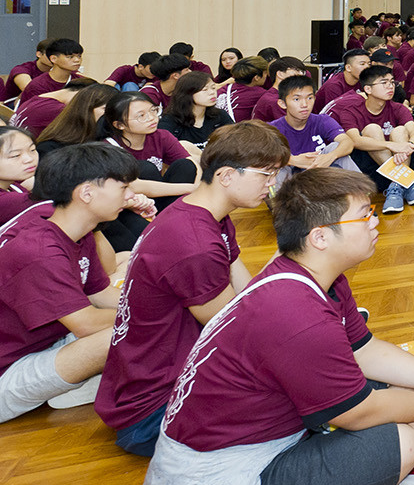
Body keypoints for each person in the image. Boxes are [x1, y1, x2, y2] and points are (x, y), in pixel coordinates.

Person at [117, 168, 414, 485]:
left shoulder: (313, 276)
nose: (375, 222)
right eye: (365, 215)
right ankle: (402, 471)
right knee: (400, 440)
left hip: (258, 437)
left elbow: (365, 350)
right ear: (320, 237)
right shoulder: (294, 313)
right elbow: (356, 413)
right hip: (222, 480)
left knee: (405, 385)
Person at [94, 122, 290, 456]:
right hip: (157, 409)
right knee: (311, 402)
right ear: (227, 175)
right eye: (266, 174)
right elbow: (233, 329)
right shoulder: (195, 243)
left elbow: (246, 295)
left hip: (157, 383)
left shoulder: (206, 213)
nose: (272, 184)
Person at [0, 143, 138, 424]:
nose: (130, 195)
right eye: (123, 188)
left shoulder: (78, 232)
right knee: (123, 331)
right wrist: (153, 312)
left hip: (46, 344)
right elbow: (85, 324)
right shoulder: (38, 249)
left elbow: (101, 294)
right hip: (8, 369)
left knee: (141, 314)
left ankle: (77, 385)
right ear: (86, 193)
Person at [330, 65, 414, 214]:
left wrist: (408, 145)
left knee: (400, 130)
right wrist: (391, 145)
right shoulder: (351, 111)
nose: (390, 86)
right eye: (384, 83)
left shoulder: (398, 108)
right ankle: (406, 183)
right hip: (371, 169)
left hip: (404, 160)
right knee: (372, 129)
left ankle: (396, 185)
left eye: (392, 82)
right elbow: (355, 140)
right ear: (368, 89)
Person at [99, 92, 200, 207]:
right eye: (141, 116)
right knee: (145, 168)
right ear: (119, 125)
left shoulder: (161, 136)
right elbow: (134, 186)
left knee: (186, 165)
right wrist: (191, 188)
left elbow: (193, 164)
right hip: (132, 204)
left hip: (162, 198)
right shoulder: (109, 148)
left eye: (153, 110)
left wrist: (198, 188)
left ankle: (172, 213)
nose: (152, 118)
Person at [269, 76, 359, 186]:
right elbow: (258, 157)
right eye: (296, 99)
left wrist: (329, 157)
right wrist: (291, 160)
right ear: (282, 103)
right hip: (291, 182)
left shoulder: (322, 120)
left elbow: (348, 142)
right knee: (278, 160)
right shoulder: (273, 129)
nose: (304, 105)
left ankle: (362, 192)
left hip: (320, 175)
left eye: (309, 98)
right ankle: (280, 198)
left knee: (336, 147)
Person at [158, 71, 234, 147]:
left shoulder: (220, 115)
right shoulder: (169, 121)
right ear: (188, 93)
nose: (212, 92)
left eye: (213, 88)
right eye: (205, 90)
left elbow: (234, 141)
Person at [16, 38, 84, 105]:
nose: (77, 60)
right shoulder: (38, 85)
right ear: (53, 59)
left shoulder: (82, 82)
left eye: (79, 56)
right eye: (70, 57)